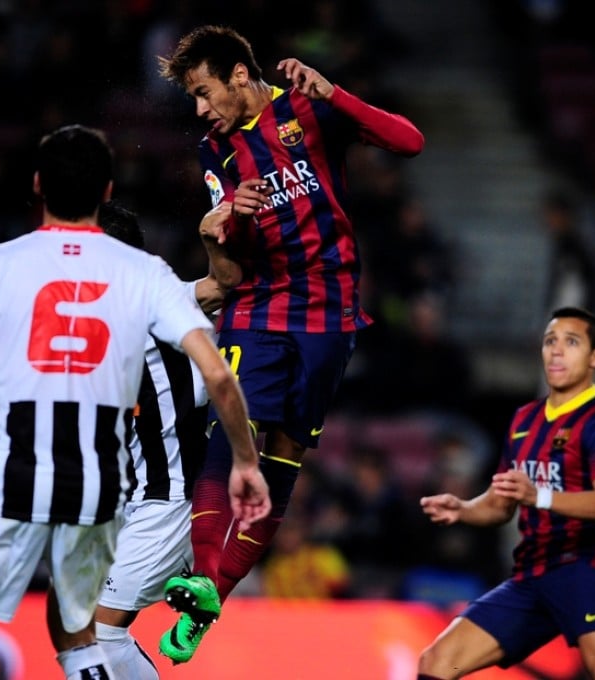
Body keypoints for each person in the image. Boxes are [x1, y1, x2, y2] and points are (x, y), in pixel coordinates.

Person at [0, 124, 270, 680]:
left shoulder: (18, 269)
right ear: (105, 191)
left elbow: (220, 284)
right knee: (81, 635)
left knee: (92, 632)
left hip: (164, 502)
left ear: (39, 188)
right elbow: (59, 316)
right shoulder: (144, 287)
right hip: (110, 496)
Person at [155, 24, 425, 663]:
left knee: (282, 455)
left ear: (239, 76)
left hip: (330, 311)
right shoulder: (214, 154)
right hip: (259, 306)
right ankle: (201, 571)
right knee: (233, 425)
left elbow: (409, 142)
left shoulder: (309, 107)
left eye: (203, 92)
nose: (200, 109)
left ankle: (211, 595)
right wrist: (225, 228)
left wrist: (337, 92)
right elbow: (231, 270)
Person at [416, 307, 595, 680]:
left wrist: (539, 497)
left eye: (571, 342)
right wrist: (463, 508)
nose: (557, 351)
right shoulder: (524, 421)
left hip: (583, 566)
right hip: (532, 573)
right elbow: (500, 504)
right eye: (550, 341)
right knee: (436, 663)